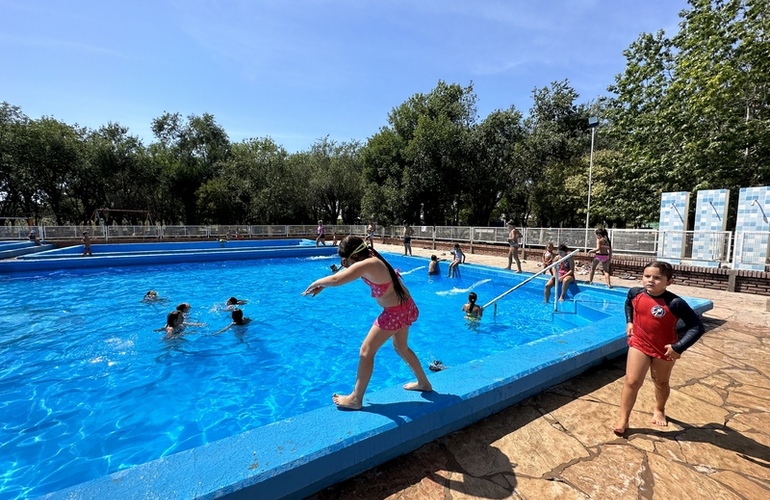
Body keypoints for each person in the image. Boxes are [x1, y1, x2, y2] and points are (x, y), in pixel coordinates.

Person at [302, 235, 432, 410]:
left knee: (365, 351)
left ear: (354, 256)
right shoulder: (370, 256)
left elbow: (336, 280)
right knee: (402, 347)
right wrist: (324, 286)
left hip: (395, 312)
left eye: (344, 259)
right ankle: (424, 383)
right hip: (405, 306)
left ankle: (356, 399)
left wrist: (315, 283)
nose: (343, 263)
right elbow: (342, 275)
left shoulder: (367, 263)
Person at [613, 261, 705, 436]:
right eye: (647, 276)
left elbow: (697, 327)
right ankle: (623, 419)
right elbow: (628, 304)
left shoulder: (675, 303)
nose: (650, 280)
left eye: (657, 278)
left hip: (665, 348)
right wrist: (630, 322)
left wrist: (679, 347)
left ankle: (659, 409)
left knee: (660, 382)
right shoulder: (635, 293)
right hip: (639, 343)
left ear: (669, 281)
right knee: (632, 381)